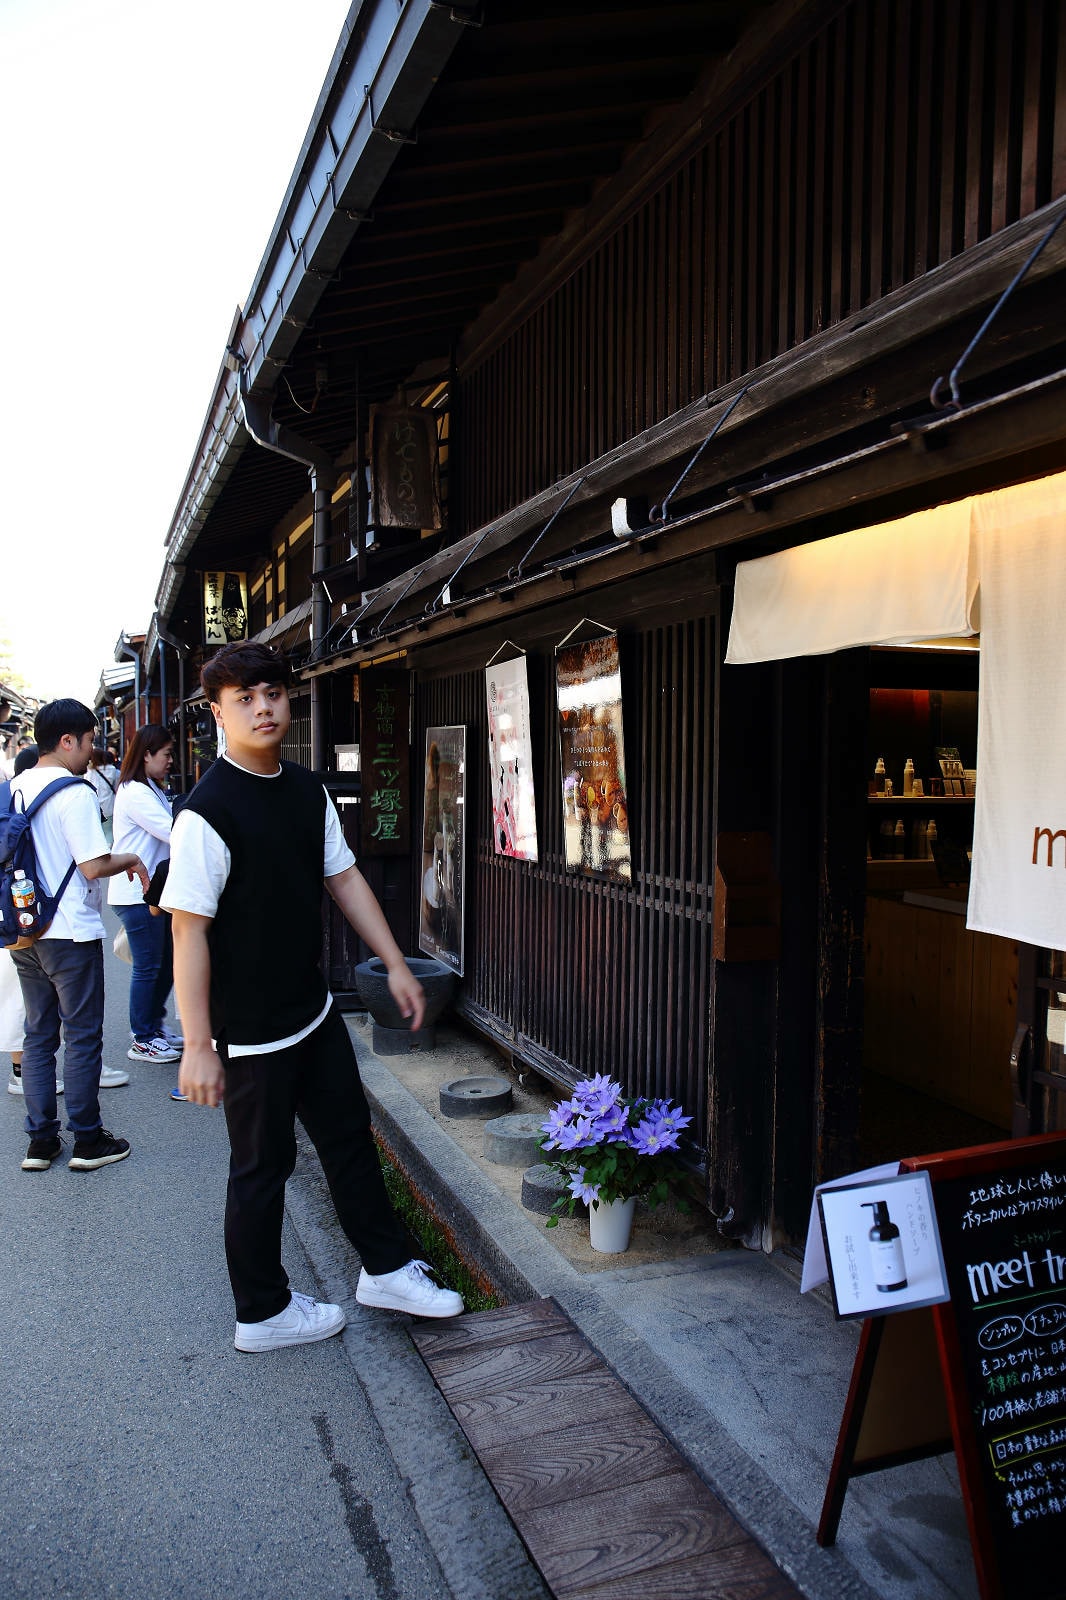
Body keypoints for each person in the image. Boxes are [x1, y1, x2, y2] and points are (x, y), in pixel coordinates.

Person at [164, 641, 464, 1353]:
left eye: (272, 692)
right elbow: (187, 935)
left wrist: (395, 961)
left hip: (312, 1011)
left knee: (349, 1143)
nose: (264, 707)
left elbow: (346, 878)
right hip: (249, 1032)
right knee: (263, 1170)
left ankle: (386, 1270)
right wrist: (199, 1045)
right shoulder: (206, 812)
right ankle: (261, 1312)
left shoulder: (304, 789)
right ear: (217, 712)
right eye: (245, 697)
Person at [10, 699, 149, 1173]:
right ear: (67, 740)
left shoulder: (14, 788)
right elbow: (93, 865)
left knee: (38, 1035)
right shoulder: (74, 792)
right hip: (69, 930)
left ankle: (40, 1142)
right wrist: (131, 859)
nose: (93, 751)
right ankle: (88, 1141)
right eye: (90, 741)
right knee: (83, 1036)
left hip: (25, 928)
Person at [107, 726, 181, 1064]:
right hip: (136, 893)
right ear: (147, 754)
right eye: (165, 754)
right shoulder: (135, 791)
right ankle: (144, 1037)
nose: (170, 760)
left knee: (163, 964)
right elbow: (171, 832)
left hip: (150, 892)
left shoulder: (147, 787)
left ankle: (153, 1026)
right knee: (150, 966)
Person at [86, 745, 120, 844]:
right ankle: (109, 852)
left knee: (97, 833)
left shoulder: (89, 772)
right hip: (110, 805)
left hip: (95, 806)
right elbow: (117, 787)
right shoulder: (112, 770)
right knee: (109, 831)